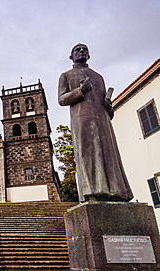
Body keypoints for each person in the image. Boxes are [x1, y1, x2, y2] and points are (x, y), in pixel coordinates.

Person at [58, 43, 133, 202]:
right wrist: (80, 91)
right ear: (71, 56)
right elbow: (62, 99)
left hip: (102, 119)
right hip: (82, 120)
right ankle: (92, 191)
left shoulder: (98, 77)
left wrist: (108, 107)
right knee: (87, 153)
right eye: (77, 50)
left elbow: (105, 103)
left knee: (108, 153)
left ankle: (116, 191)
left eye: (85, 49)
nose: (81, 51)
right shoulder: (66, 75)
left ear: (89, 55)